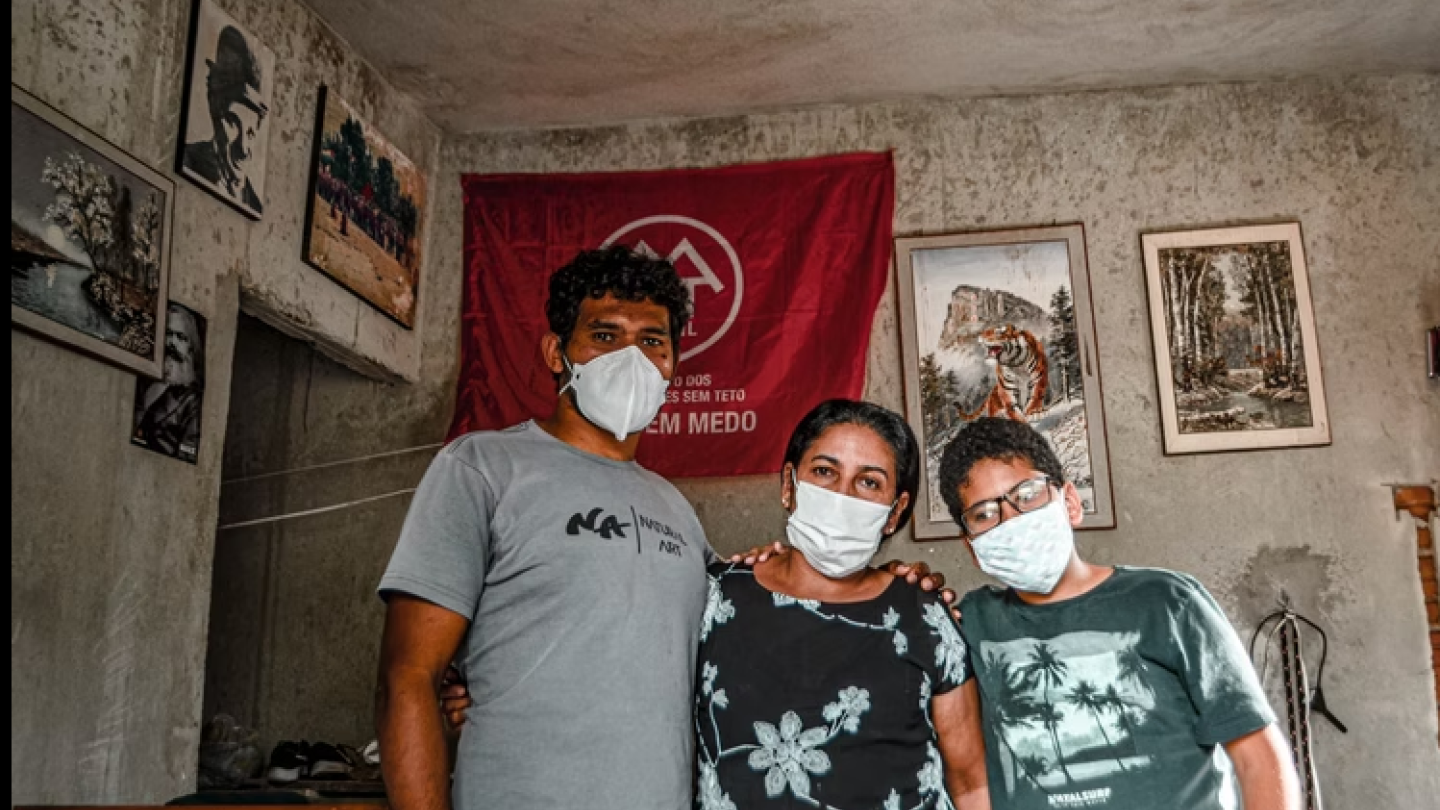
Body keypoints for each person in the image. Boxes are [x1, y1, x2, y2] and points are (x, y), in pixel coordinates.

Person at [376, 246, 952, 810]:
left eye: (652, 340)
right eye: (605, 335)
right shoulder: (484, 469)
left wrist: (888, 583)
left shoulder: (673, 507)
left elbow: (748, 616)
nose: (631, 356)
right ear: (556, 352)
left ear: (672, 364)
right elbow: (408, 677)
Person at [939, 417, 1300, 810]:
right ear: (973, 547)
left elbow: (1257, 756)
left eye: (1027, 494)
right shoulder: (967, 624)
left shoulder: (1167, 602)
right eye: (984, 514)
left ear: (1070, 503)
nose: (1011, 519)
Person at [697, 399, 990, 810]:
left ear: (894, 512)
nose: (842, 495)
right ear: (788, 485)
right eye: (823, 472)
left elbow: (971, 785)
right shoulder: (714, 600)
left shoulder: (923, 616)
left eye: (868, 482)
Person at [182, 25, 267, 214]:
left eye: (251, 132)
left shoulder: (255, 205)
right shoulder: (188, 160)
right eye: (233, 123)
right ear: (215, 115)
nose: (244, 147)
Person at [132, 304, 204, 461]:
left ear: (190, 347)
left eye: (181, 337)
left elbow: (187, 455)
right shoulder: (143, 383)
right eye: (168, 334)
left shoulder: (192, 401)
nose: (172, 343)